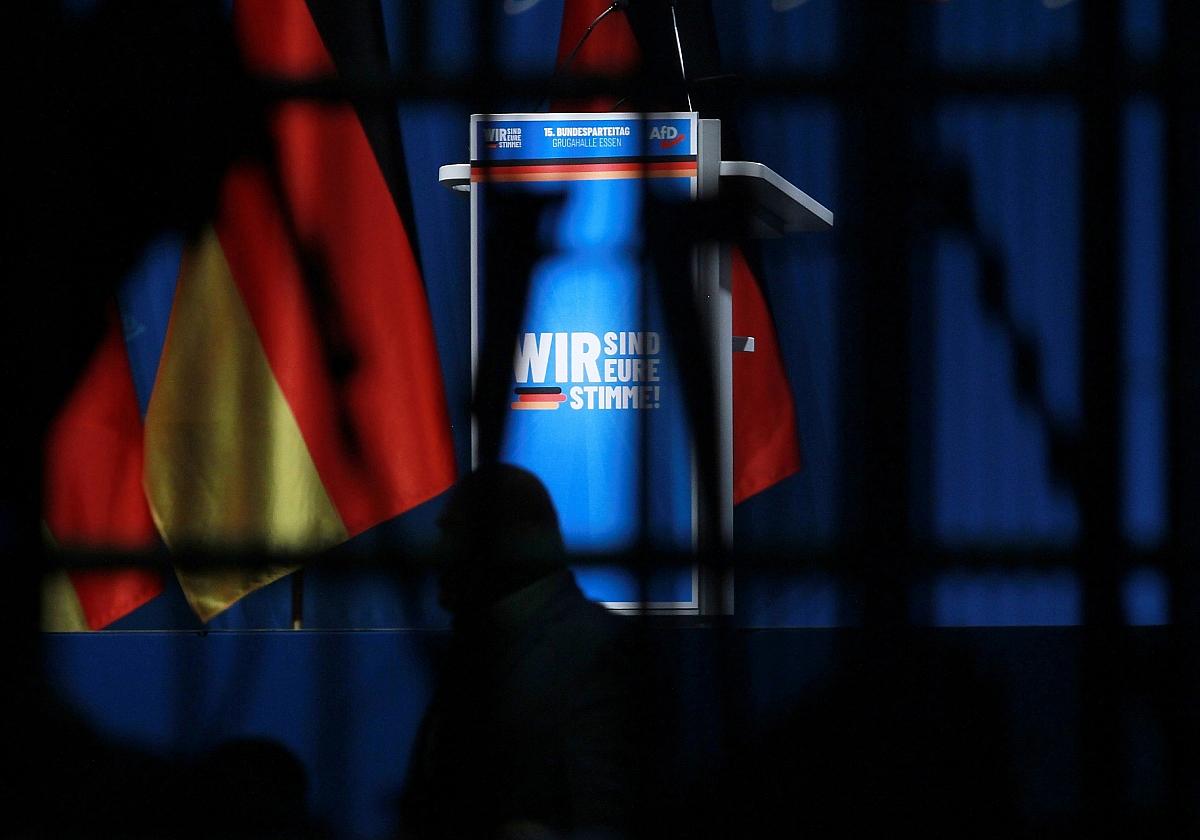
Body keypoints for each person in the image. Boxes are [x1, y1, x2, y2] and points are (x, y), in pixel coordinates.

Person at [399, 464, 637, 839]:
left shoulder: (593, 649)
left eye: (455, 532)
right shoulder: (481, 644)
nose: (439, 552)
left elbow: (608, 818)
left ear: (517, 539)